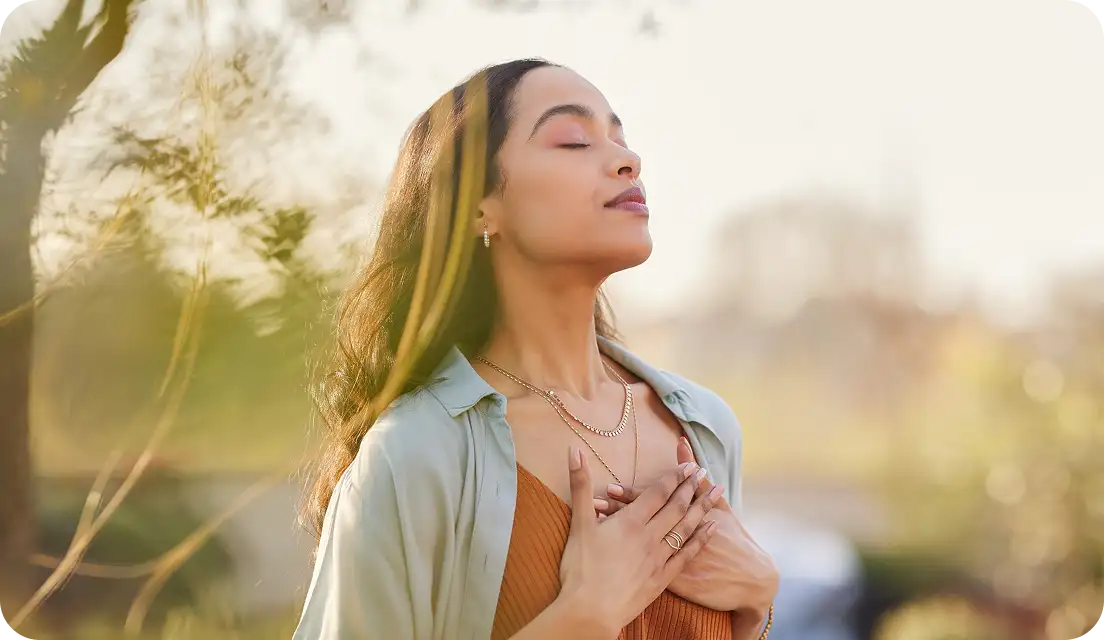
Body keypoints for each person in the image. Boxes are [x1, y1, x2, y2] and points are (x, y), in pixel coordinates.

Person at [293, 58, 779, 640]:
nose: (629, 160)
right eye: (574, 141)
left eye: (620, 138)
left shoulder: (705, 428)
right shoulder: (416, 453)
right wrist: (584, 617)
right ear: (479, 206)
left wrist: (757, 602)